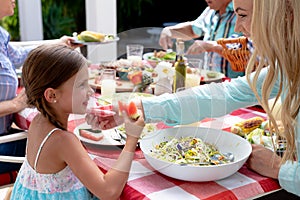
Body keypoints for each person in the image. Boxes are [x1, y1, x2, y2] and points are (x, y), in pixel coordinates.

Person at [88, 0, 300, 197]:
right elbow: (224, 95)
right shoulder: (287, 68)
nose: (237, 28)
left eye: (243, 15)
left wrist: (281, 169)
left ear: (284, 15)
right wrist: (137, 107)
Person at [9, 43, 145, 199]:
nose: (91, 91)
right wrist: (131, 139)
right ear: (52, 95)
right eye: (82, 85)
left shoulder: (38, 121)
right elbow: (109, 192)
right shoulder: (63, 140)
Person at [0, 0, 81, 174]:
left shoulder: (0, 35)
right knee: (68, 150)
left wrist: (58, 44)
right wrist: (15, 105)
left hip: (5, 135)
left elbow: (20, 55)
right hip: (2, 145)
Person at [159, 0, 245, 78]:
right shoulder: (210, 10)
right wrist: (169, 31)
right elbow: (193, 30)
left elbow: (248, 52)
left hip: (234, 86)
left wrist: (211, 46)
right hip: (210, 82)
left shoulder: (243, 12)